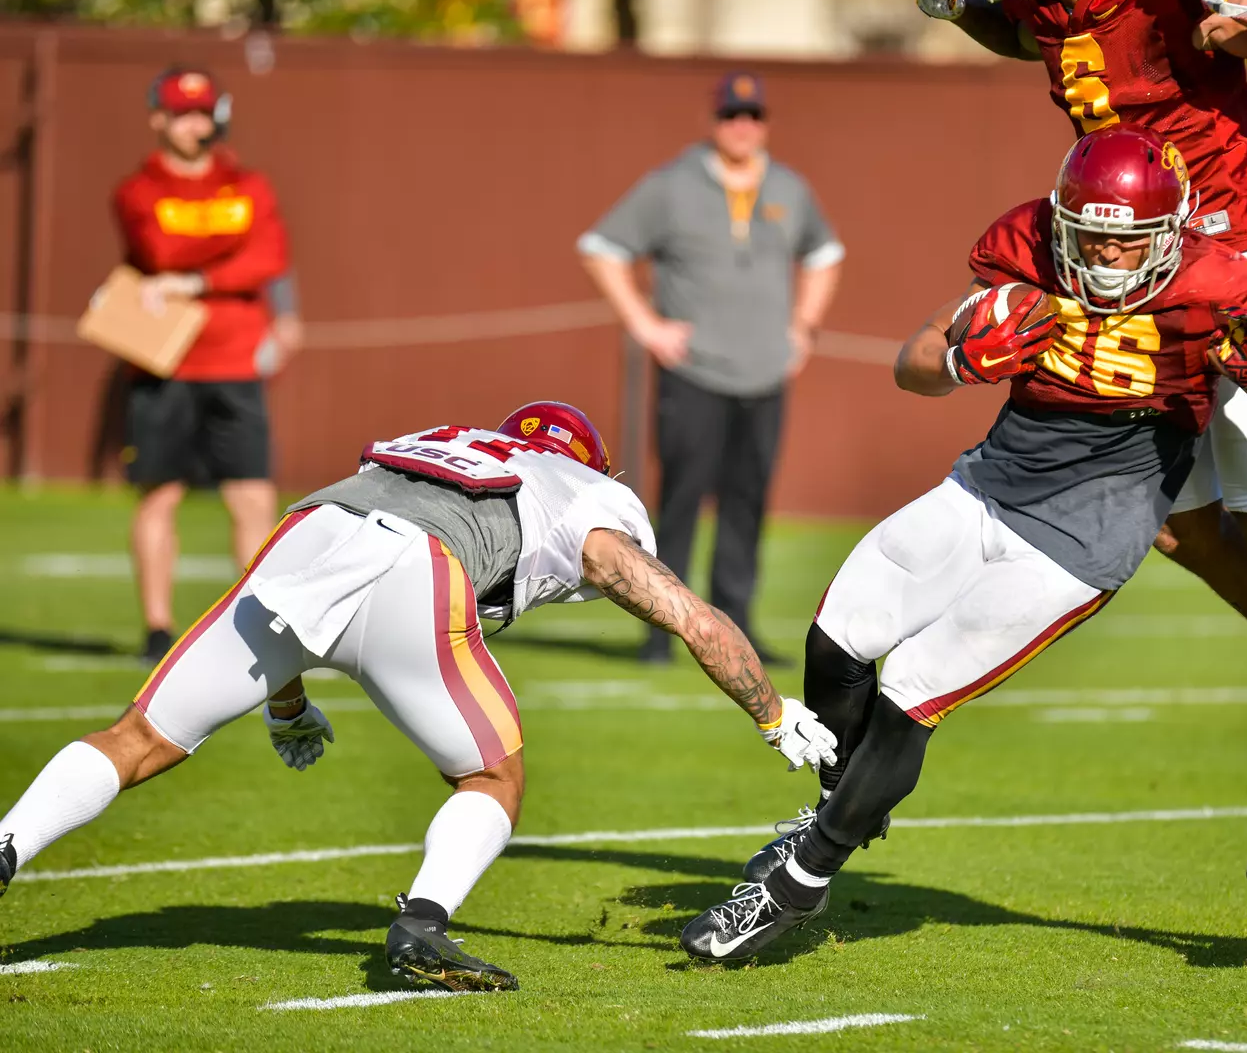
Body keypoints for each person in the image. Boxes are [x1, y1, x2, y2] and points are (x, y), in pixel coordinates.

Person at [678, 126, 1247, 960]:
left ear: (1168, 233)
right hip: (989, 483)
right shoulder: (1027, 244)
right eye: (1088, 234)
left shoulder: (1216, 285)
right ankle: (840, 809)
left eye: (1124, 238)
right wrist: (961, 362)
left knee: (914, 687)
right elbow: (914, 360)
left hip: (1083, 532)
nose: (1103, 254)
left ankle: (797, 883)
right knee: (838, 636)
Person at [0, 402, 837, 991]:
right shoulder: (581, 496)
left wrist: (285, 703)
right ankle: (423, 925)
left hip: (306, 531)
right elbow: (693, 618)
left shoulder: (442, 441)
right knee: (492, 778)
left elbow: (321, 577)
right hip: (419, 568)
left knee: (138, 737)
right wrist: (774, 713)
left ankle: (8, 844)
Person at [891, 0, 1247, 880]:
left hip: (1233, 263)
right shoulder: (1043, 0)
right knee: (1178, 525)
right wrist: (966, 11)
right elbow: (1030, 36)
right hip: (1139, 282)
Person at [578, 71, 845, 667]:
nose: (742, 127)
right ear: (714, 121)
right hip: (694, 372)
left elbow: (826, 255)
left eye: (752, 116)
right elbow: (602, 248)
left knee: (747, 502)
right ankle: (659, 629)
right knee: (679, 500)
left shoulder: (789, 188)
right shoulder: (671, 185)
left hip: (765, 374)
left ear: (765, 123)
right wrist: (645, 324)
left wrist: (803, 327)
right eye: (731, 116)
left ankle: (736, 627)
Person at [113, 67, 300, 664]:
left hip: (236, 362)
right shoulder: (137, 190)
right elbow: (159, 248)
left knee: (252, 497)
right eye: (182, 114)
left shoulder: (250, 185)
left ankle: (264, 623)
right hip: (164, 361)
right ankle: (157, 631)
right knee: (160, 496)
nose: (195, 125)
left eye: (202, 113)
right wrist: (227, 259)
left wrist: (192, 279)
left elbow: (268, 257)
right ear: (158, 119)